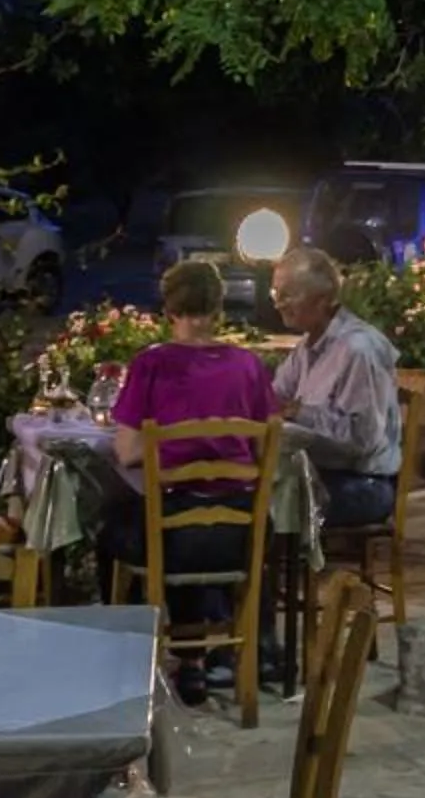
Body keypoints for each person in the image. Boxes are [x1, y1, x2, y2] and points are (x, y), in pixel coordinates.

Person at [103, 261, 276, 704]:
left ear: (168, 308)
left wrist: (170, 447)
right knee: (190, 513)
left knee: (113, 526)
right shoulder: (249, 365)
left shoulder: (152, 364)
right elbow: (265, 443)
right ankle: (210, 661)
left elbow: (126, 452)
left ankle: (126, 662)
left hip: (175, 534)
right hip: (239, 533)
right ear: (219, 306)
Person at [269, 245, 404, 526]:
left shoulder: (358, 349)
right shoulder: (307, 347)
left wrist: (299, 413)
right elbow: (276, 398)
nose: (279, 303)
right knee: (254, 491)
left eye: (288, 294)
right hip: (322, 473)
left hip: (364, 485)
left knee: (271, 504)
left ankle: (292, 569)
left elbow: (362, 439)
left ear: (323, 299)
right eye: (276, 293)